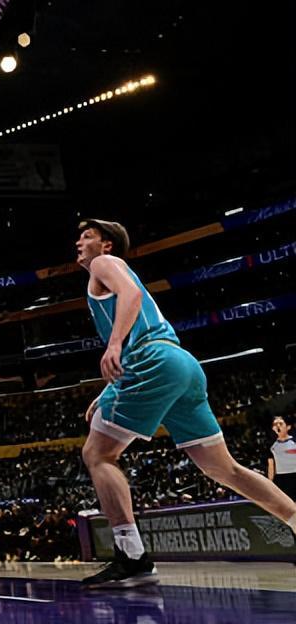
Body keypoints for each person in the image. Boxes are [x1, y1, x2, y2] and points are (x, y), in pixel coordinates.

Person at [75, 219, 296, 588]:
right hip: (182, 365)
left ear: (107, 244)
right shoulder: (108, 272)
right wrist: (109, 389)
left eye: (87, 236)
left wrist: (113, 346)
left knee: (98, 454)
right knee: (224, 470)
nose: (79, 242)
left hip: (151, 361)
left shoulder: (104, 263)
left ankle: (132, 557)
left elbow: (131, 296)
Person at [267, 415, 296, 500]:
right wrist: (270, 483)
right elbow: (271, 465)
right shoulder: (271, 445)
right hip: (280, 479)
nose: (278, 426)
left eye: (280, 423)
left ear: (288, 427)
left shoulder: (294, 441)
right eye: (275, 424)